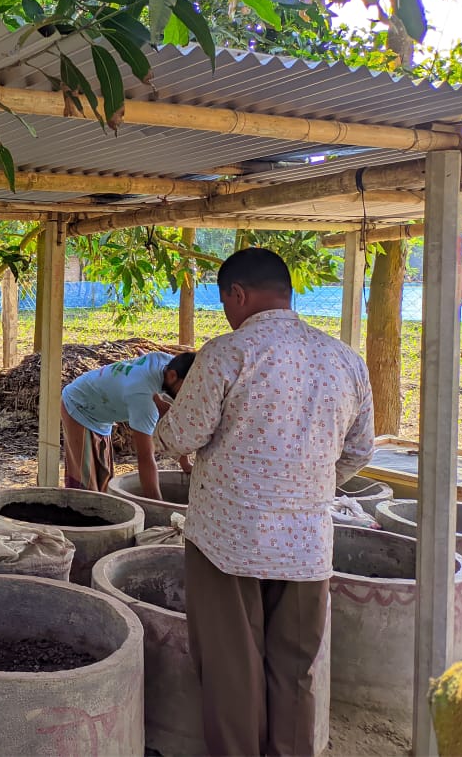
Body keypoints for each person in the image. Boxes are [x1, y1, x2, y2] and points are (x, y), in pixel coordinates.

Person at [153, 248, 374, 757]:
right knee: (295, 670)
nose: (228, 312)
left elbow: (183, 436)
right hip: (307, 547)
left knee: (234, 667)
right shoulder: (345, 359)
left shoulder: (229, 353)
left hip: (229, 540)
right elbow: (360, 450)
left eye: (226, 301)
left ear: (238, 294)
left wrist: (164, 422)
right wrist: (308, 485)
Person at [60, 350, 196, 499]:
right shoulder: (142, 399)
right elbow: (145, 458)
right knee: (85, 488)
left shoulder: (166, 362)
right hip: (79, 405)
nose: (189, 393)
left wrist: (185, 463)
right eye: (187, 387)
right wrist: (158, 507)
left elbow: (175, 419)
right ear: (172, 376)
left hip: (100, 407)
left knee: (103, 481)